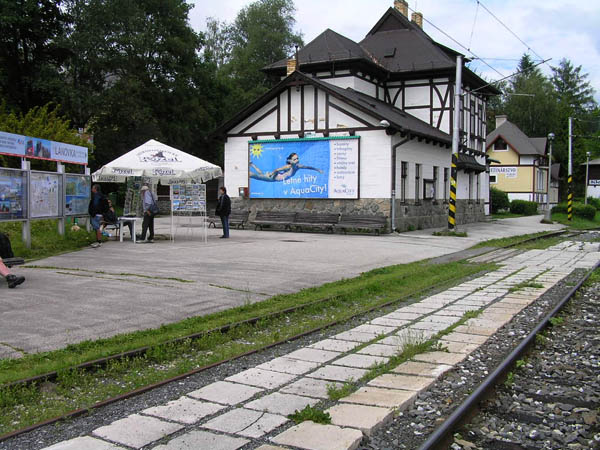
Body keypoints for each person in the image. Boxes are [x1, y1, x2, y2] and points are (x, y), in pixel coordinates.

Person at [249, 152, 323, 182]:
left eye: (297, 158)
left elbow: (308, 167)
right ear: (290, 161)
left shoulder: (298, 166)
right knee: (256, 176)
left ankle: (252, 164)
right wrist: (271, 174)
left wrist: (317, 169)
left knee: (260, 175)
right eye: (295, 159)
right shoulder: (288, 166)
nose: (297, 160)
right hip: (273, 177)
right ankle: (248, 173)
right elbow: (277, 170)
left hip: (276, 176)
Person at [88, 184, 109, 248]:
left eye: (93, 188)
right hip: (101, 214)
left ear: (95, 189)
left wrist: (92, 213)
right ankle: (98, 240)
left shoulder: (96, 197)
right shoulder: (103, 196)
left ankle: (99, 241)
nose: (92, 189)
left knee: (97, 228)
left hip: (96, 215)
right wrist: (103, 213)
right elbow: (106, 206)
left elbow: (95, 206)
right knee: (98, 227)